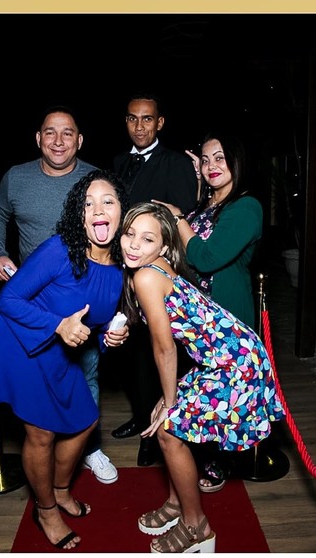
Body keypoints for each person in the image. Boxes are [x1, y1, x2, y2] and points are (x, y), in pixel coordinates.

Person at [0, 170, 130, 550]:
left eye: (108, 201)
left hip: (61, 347)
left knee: (85, 420)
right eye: (88, 203)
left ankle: (59, 490)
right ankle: (45, 510)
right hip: (18, 339)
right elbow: (9, 300)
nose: (98, 210)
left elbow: (99, 322)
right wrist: (58, 325)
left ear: (122, 211)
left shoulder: (123, 268)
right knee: (41, 433)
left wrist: (111, 336)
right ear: (79, 215)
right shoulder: (59, 250)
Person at [119, 202, 284, 552]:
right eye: (129, 234)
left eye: (147, 239)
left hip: (235, 362)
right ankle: (177, 504)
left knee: (168, 430)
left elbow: (164, 348)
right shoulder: (155, 266)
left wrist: (170, 402)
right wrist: (169, 397)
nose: (134, 244)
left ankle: (197, 527)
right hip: (225, 354)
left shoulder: (145, 277)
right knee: (171, 425)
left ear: (164, 246)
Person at [0, 107, 115, 483]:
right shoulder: (16, 177)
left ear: (80, 141)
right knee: (38, 388)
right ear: (38, 138)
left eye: (68, 133)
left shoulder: (95, 181)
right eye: (50, 133)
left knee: (86, 373)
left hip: (82, 302)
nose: (59, 141)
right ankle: (46, 455)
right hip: (34, 301)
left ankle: (87, 448)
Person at [155, 133, 263, 492]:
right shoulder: (207, 205)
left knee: (222, 396)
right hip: (197, 322)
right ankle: (196, 454)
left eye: (220, 158)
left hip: (227, 321)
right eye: (205, 159)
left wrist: (177, 217)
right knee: (200, 391)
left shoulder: (247, 207)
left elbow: (206, 256)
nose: (212, 165)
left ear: (236, 161)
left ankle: (221, 460)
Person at [109, 93, 202, 467]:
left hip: (156, 272)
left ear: (160, 123)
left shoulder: (175, 163)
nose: (140, 126)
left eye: (147, 119)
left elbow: (182, 219)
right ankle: (139, 415)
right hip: (123, 268)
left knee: (159, 351)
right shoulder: (118, 161)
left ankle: (156, 434)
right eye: (133, 118)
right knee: (130, 352)